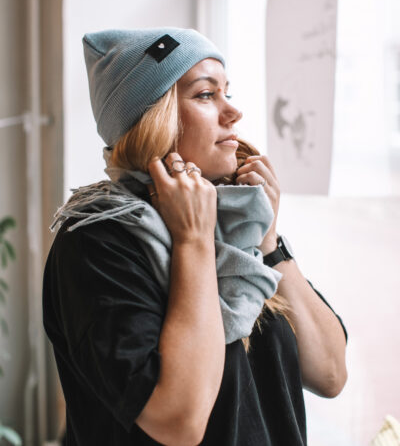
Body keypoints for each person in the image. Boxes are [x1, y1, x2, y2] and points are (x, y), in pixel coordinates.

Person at [43, 27, 348, 446]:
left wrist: (268, 240)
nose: (233, 112)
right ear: (153, 119)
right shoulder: (98, 241)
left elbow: (331, 374)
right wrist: (193, 242)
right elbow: (179, 422)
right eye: (206, 95)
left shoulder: (237, 225)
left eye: (227, 92)